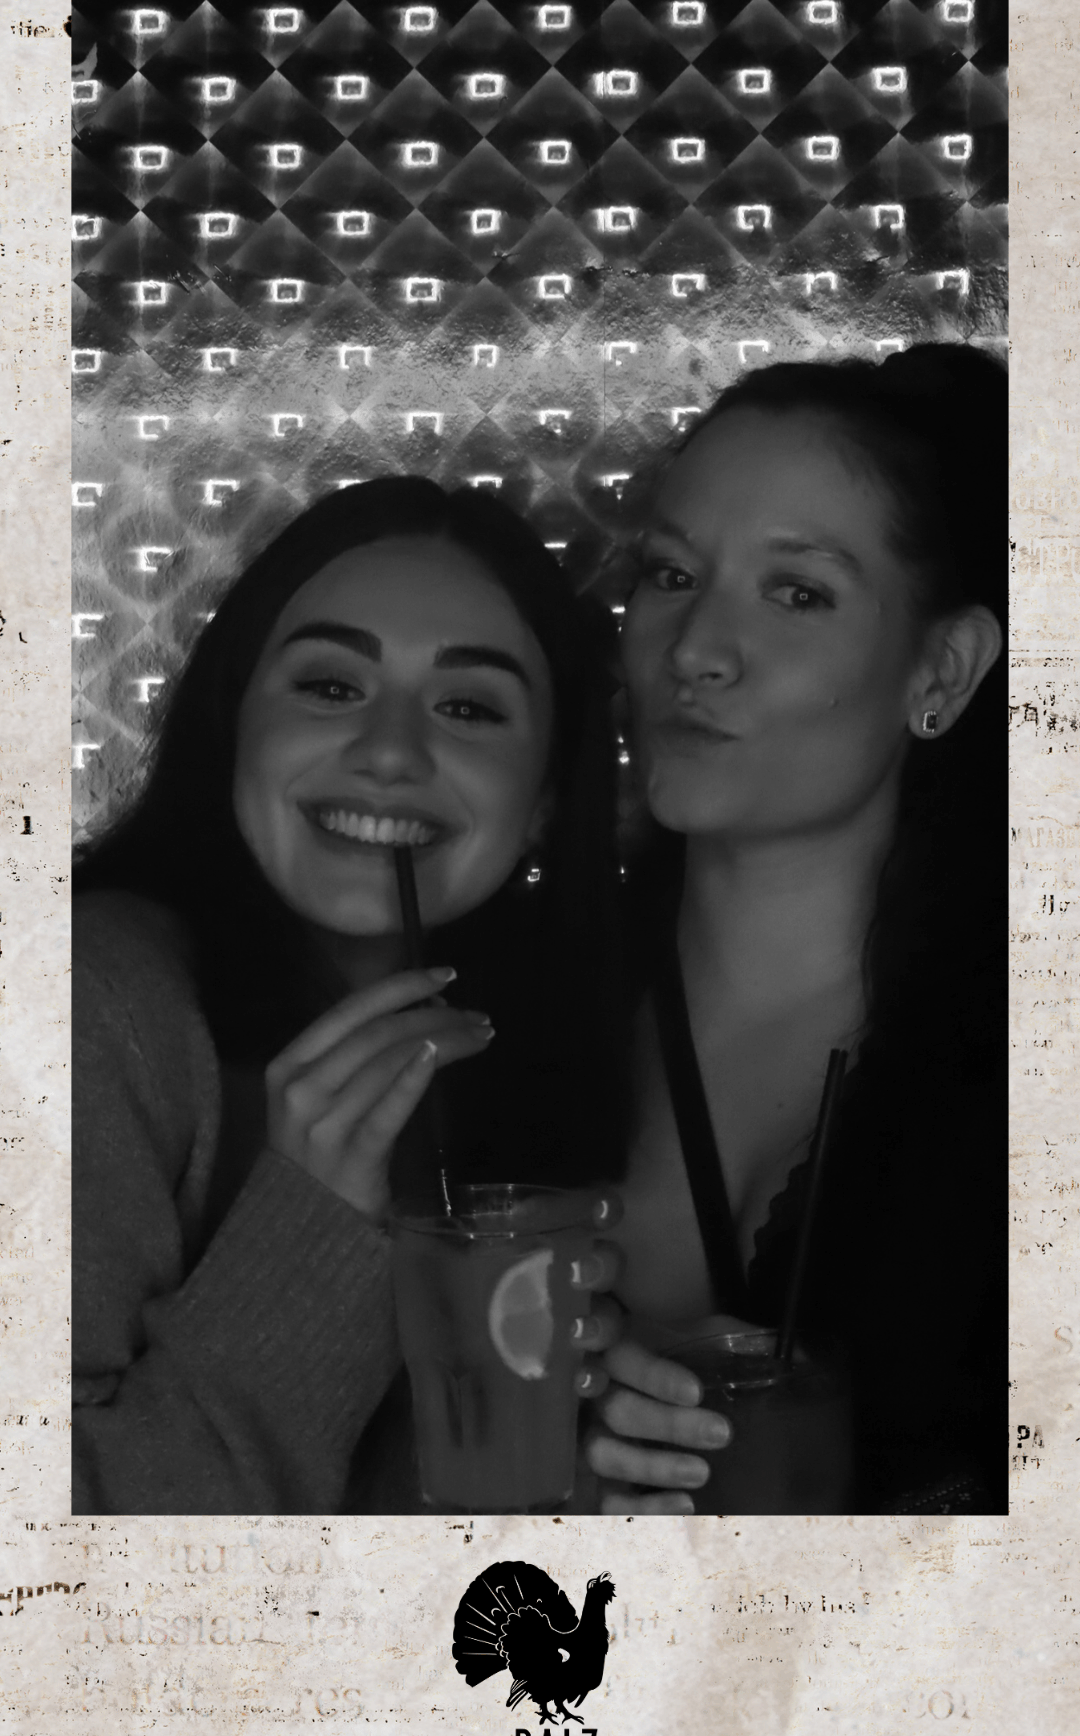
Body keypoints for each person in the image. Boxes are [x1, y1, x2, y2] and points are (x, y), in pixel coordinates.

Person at [72, 477, 628, 1514]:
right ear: (234, 725)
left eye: (468, 708)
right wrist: (311, 1224)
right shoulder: (90, 1005)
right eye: (331, 687)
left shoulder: (562, 1052)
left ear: (544, 802)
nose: (389, 753)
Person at [584, 343, 1007, 1514]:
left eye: (797, 593)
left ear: (943, 670)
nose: (694, 651)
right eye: (671, 573)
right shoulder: (511, 1008)